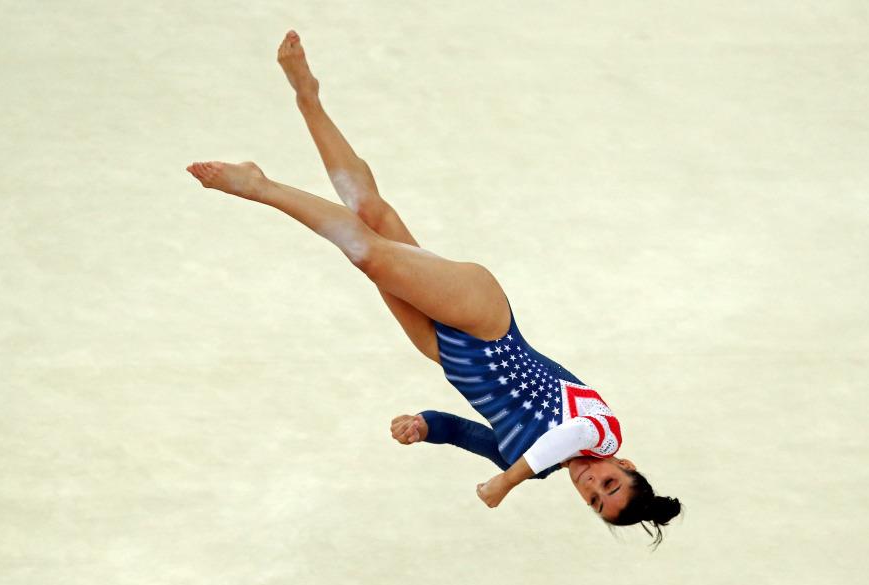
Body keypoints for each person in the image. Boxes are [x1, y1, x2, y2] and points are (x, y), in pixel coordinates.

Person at [187, 30, 681, 546]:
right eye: (608, 482)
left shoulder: (529, 464)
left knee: (370, 214)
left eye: (595, 501)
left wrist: (423, 426)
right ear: (623, 463)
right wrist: (505, 485)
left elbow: (466, 433)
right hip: (485, 322)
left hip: (442, 348)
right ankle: (258, 184)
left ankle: (307, 97)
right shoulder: (603, 430)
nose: (590, 485)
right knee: (371, 255)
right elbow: (567, 435)